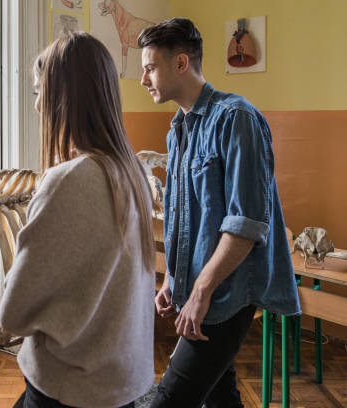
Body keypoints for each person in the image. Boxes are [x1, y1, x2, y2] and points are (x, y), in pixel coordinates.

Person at [137, 18, 301, 408]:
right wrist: (173, 279)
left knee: (169, 400)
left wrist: (199, 291)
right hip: (200, 291)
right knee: (220, 399)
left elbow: (246, 224)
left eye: (149, 68)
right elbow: (186, 215)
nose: (143, 80)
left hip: (226, 295)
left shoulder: (236, 118)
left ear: (180, 64)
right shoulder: (177, 128)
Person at [0, 32, 156, 408]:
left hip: (70, 390)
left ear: (61, 98)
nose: (36, 106)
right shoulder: (132, 171)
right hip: (120, 385)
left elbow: (13, 312)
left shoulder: (68, 180)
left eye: (39, 93)